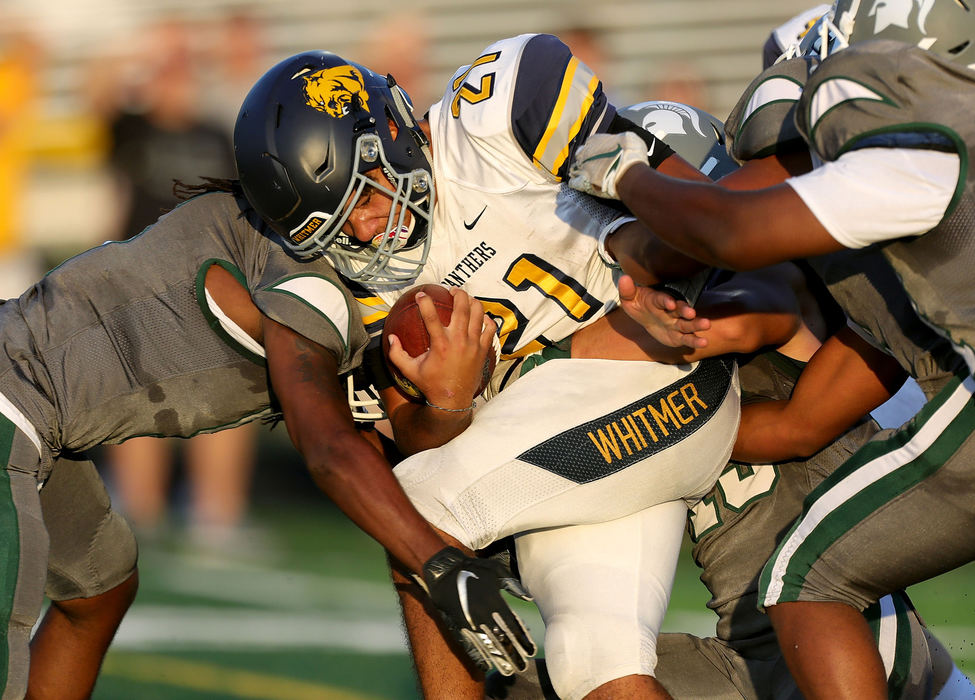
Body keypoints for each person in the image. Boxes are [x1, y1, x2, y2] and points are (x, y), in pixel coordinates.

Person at [233, 40, 749, 699]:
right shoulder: (356, 293)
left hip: (661, 373)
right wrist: (445, 401)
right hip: (576, 447)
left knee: (418, 511)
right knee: (595, 665)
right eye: (332, 230)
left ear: (390, 134)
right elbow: (413, 437)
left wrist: (642, 266)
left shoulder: (498, 113)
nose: (362, 234)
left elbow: (688, 220)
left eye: (362, 198)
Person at [0, 94, 533, 700]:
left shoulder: (308, 254)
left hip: (41, 415)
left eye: (367, 193)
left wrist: (446, 405)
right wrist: (440, 564)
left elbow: (377, 450)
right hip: (12, 401)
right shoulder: (304, 274)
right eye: (339, 209)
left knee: (98, 590)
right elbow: (330, 448)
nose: (363, 225)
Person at [566, 1, 975, 697]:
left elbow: (726, 234)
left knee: (806, 580)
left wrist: (626, 180)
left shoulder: (902, 165)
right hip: (775, 656)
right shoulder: (877, 258)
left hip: (874, 656)